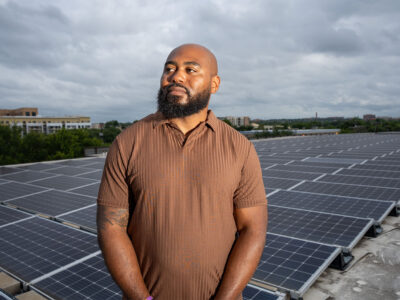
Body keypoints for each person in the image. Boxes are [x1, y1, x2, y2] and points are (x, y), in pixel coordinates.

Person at [97, 43, 268, 300]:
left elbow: (253, 230)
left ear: (214, 84)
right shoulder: (127, 143)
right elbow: (111, 229)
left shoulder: (240, 148)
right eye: (170, 69)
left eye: (191, 70)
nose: (176, 76)